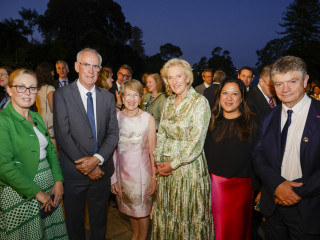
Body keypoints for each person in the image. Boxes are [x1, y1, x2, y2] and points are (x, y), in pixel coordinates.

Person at [53, 48, 119, 240]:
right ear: (76, 66)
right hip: (74, 172)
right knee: (74, 223)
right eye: (86, 65)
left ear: (99, 70)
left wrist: (97, 159)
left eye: (95, 66)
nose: (90, 70)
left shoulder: (107, 97)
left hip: (102, 171)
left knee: (100, 222)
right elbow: (62, 134)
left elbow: (113, 133)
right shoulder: (62, 95)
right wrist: (88, 166)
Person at [252, 56, 320, 239]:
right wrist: (277, 185)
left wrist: (294, 191)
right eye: (279, 84)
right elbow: (258, 156)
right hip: (273, 208)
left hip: (310, 208)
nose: (286, 89)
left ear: (305, 81)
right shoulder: (268, 118)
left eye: (292, 81)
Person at [0, 68, 68, 239]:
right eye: (21, 87)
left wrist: (59, 180)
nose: (28, 92)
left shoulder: (37, 117)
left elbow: (51, 151)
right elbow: (4, 167)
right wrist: (38, 193)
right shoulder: (3, 121)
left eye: (32, 87)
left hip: (49, 188)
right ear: (9, 89)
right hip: (20, 193)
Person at [151, 58, 214, 240]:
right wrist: (158, 160)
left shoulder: (199, 102)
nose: (175, 81)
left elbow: (196, 142)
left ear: (188, 77)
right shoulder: (169, 102)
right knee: (168, 214)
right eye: (170, 78)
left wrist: (174, 163)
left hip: (188, 170)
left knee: (188, 215)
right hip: (166, 171)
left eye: (179, 76)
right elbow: (161, 132)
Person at [204, 78, 258, 240]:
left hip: (242, 188)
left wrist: (260, 189)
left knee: (238, 230)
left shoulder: (253, 122)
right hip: (214, 187)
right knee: (217, 230)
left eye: (235, 94)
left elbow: (259, 158)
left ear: (242, 98)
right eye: (225, 93)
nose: (229, 98)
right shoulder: (210, 120)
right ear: (219, 96)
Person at [111, 79, 157, 240]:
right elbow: (113, 152)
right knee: (130, 209)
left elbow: (153, 152)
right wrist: (113, 179)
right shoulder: (115, 119)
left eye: (135, 95)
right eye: (128, 95)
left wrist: (154, 178)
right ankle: (135, 236)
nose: (131, 99)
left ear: (141, 98)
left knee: (142, 213)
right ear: (122, 97)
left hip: (143, 176)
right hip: (122, 176)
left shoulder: (147, 119)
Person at [35, 62, 58, 149]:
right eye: (52, 71)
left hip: (40, 121)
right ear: (47, 73)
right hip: (50, 123)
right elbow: (52, 108)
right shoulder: (50, 88)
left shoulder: (38, 88)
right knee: (54, 148)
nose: (54, 73)